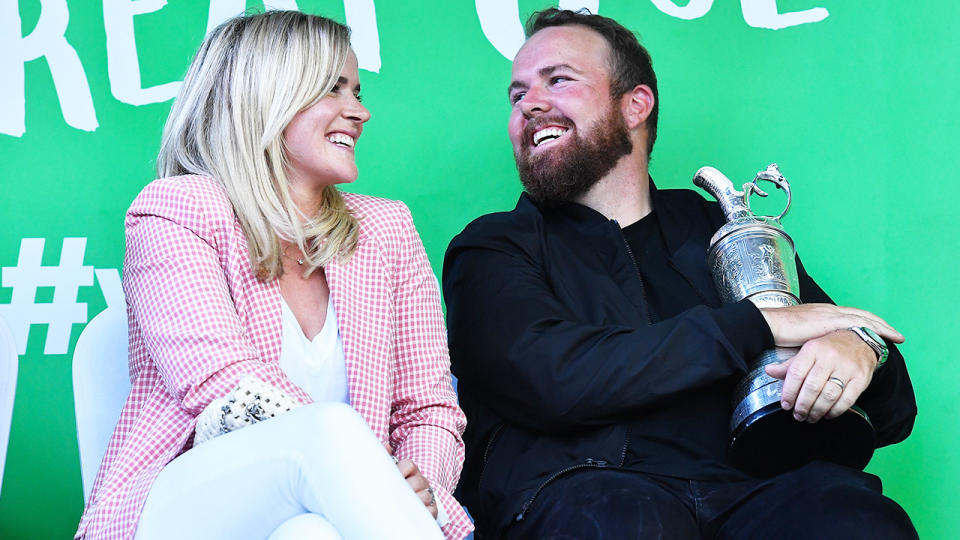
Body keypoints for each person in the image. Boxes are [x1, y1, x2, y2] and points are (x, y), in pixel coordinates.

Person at [442, 8, 917, 539]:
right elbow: (548, 377)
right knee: (617, 523)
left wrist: (861, 352)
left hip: (755, 492)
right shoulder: (490, 247)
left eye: (559, 79)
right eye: (517, 94)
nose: (529, 104)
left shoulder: (721, 228)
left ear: (634, 106)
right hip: (584, 494)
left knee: (856, 519)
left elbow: (891, 407)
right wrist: (751, 326)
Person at [75, 11, 473, 540]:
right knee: (327, 428)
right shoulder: (175, 210)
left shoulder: (387, 228)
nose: (360, 112)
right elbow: (220, 386)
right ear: (264, 94)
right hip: (183, 505)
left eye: (357, 91)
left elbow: (428, 407)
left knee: (310, 534)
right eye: (334, 89)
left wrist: (419, 485)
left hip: (340, 515)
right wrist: (370, 473)